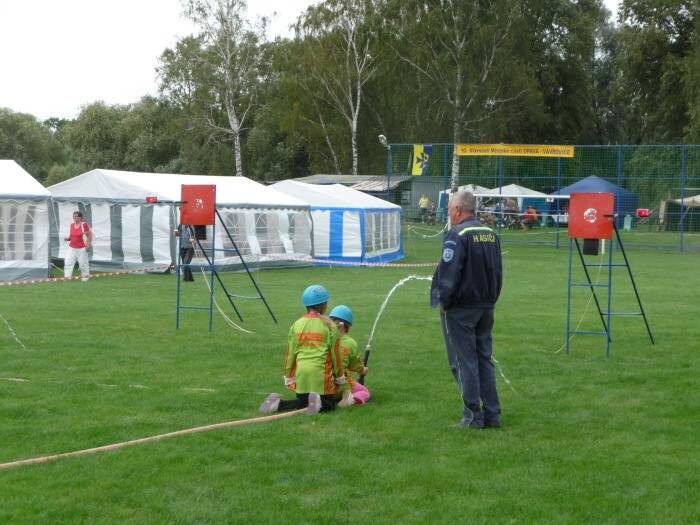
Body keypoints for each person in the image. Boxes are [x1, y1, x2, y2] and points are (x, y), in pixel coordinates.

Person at [430, 191, 503, 429]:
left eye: (450, 208)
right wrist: (491, 299)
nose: (448, 213)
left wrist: (445, 302)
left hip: (461, 308)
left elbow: (449, 274)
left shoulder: (456, 234)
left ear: (459, 210)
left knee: (463, 362)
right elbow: (498, 272)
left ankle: (472, 416)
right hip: (486, 305)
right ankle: (492, 414)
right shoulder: (491, 234)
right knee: (483, 359)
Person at [259, 285, 345, 415]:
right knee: (329, 406)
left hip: (301, 376)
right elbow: (336, 356)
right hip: (321, 376)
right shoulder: (330, 326)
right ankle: (317, 402)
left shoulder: (296, 325)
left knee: (303, 404)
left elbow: (290, 354)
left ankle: (278, 405)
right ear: (323, 305)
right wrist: (339, 378)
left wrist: (288, 376)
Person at [329, 305, 370, 407]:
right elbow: (355, 366)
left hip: (317, 384)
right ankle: (350, 399)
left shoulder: (324, 337)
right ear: (347, 326)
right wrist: (363, 370)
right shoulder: (350, 343)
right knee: (364, 392)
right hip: (336, 386)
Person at [63, 211, 93, 281]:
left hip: (82, 248)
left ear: (80, 217)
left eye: (76, 216)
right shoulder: (71, 225)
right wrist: (68, 239)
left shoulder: (84, 225)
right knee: (68, 263)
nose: (74, 218)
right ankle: (67, 279)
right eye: (73, 216)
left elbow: (89, 235)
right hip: (71, 247)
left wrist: (88, 245)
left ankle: (85, 279)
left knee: (83, 265)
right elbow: (72, 236)